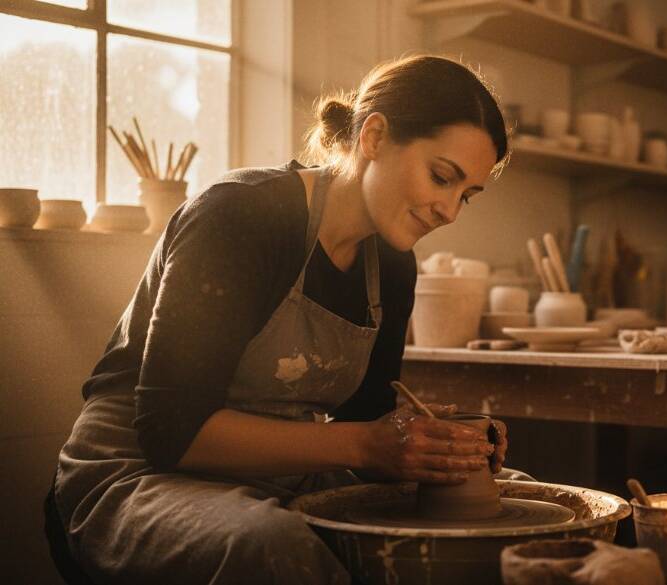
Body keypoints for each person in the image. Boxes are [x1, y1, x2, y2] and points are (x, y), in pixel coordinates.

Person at [46, 54, 511, 584]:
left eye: (466, 195)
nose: (449, 211)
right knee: (273, 547)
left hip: (282, 475)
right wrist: (369, 443)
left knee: (507, 507)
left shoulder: (395, 265)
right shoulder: (241, 214)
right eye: (442, 177)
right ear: (375, 137)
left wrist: (440, 445)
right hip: (137, 473)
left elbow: (371, 415)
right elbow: (171, 432)